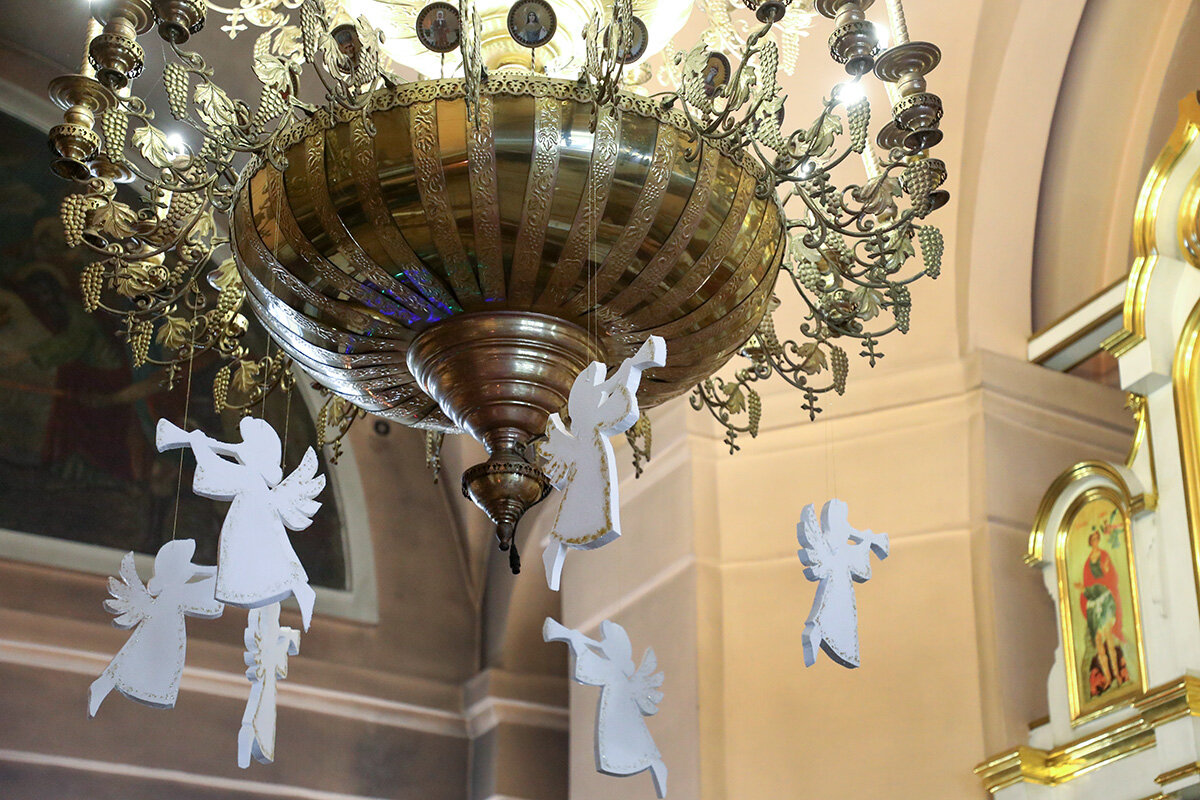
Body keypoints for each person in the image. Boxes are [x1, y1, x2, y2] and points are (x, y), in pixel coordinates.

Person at [1074, 528, 1125, 693]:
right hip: (1093, 602)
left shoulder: (1104, 556)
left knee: (1108, 637)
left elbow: (1111, 577)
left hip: (1103, 598)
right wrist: (1084, 589)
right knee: (1097, 641)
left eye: (1097, 538)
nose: (1095, 541)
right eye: (1093, 539)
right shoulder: (1087, 562)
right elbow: (1087, 583)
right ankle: (1108, 677)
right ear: (1090, 542)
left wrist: (1107, 570)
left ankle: (1117, 674)